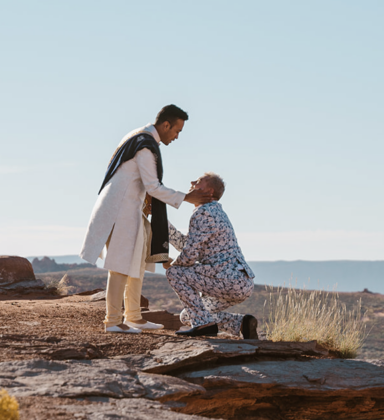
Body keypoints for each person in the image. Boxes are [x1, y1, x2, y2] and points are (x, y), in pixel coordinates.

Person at [80, 105, 213, 332]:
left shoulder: (139, 138)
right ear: (165, 125)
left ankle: (134, 316)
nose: (177, 136)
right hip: (121, 209)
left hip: (133, 209)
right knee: (121, 264)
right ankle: (112, 321)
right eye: (177, 131)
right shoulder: (145, 146)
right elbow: (153, 186)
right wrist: (187, 197)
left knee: (139, 261)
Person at [165, 172, 258, 339]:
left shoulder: (204, 213)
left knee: (174, 273)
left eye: (199, 181)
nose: (192, 181)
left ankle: (202, 326)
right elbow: (187, 245)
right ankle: (241, 324)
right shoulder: (214, 211)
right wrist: (160, 221)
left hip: (227, 279)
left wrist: (173, 265)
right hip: (240, 283)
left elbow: (189, 255)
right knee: (187, 316)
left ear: (209, 191)